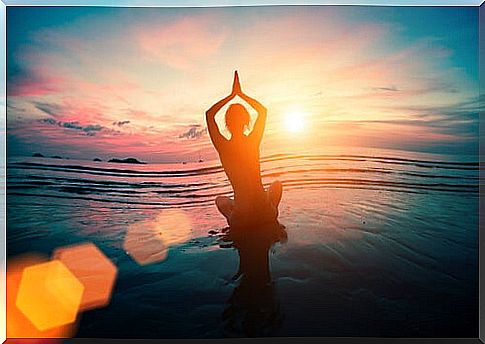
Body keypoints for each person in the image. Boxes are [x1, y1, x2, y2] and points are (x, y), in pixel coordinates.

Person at [205, 71, 282, 227]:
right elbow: (263, 111)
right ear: (247, 121)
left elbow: (209, 114)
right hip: (265, 212)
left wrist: (231, 95)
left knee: (220, 200)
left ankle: (235, 213)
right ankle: (272, 209)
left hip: (242, 218)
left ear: (226, 124)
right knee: (276, 185)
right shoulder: (253, 140)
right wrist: (241, 94)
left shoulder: (223, 145)